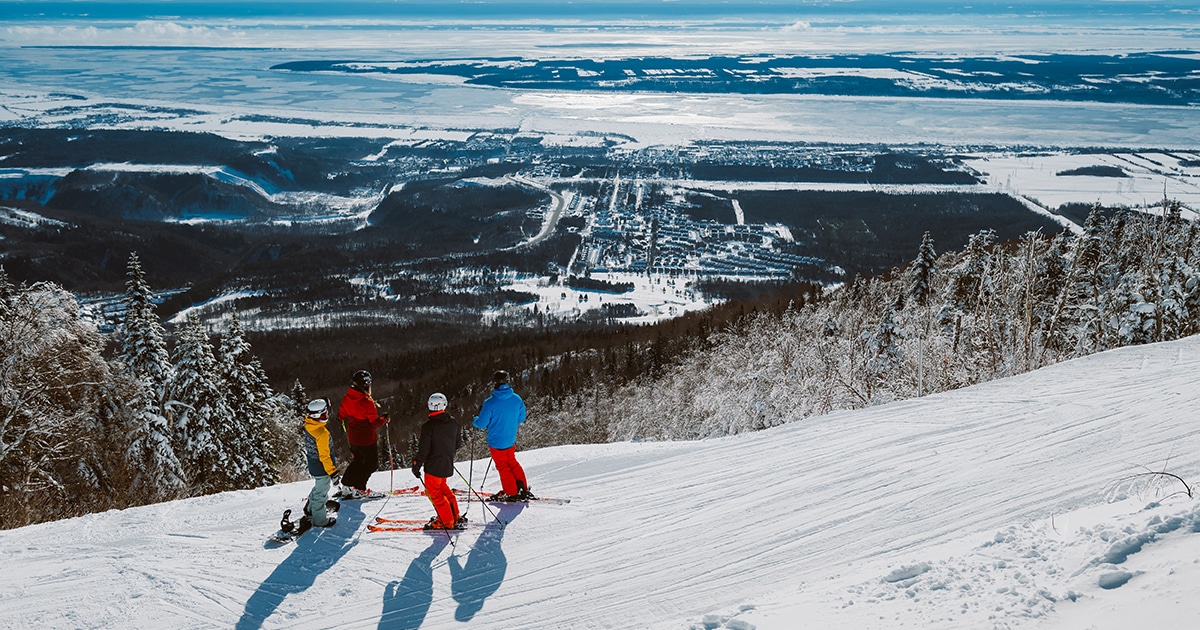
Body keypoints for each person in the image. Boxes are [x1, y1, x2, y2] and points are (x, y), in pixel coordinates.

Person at [472, 370, 534, 501]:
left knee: (503, 467)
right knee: (512, 463)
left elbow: (482, 423)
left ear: (495, 383)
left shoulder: (490, 403)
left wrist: (475, 420)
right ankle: (522, 487)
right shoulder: (516, 399)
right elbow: (521, 418)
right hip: (510, 438)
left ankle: (511, 492)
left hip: (496, 441)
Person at [412, 392, 466, 530]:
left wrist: (417, 465)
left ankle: (446, 521)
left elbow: (424, 449)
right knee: (443, 489)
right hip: (447, 463)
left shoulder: (428, 427)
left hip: (433, 466)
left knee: (435, 494)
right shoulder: (453, 422)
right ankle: (454, 515)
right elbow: (458, 443)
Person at [338, 369, 389, 499]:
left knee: (358, 461)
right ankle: (360, 489)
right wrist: (385, 419)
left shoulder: (347, 398)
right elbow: (374, 423)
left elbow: (341, 416)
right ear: (365, 385)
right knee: (371, 464)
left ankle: (346, 486)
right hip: (366, 439)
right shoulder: (367, 402)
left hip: (353, 437)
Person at [299, 398, 339, 533]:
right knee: (322, 492)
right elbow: (324, 456)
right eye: (324, 415)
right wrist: (333, 472)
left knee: (318, 487)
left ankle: (309, 509)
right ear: (317, 416)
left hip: (314, 464)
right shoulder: (321, 433)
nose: (327, 416)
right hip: (322, 467)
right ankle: (319, 520)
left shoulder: (309, 424)